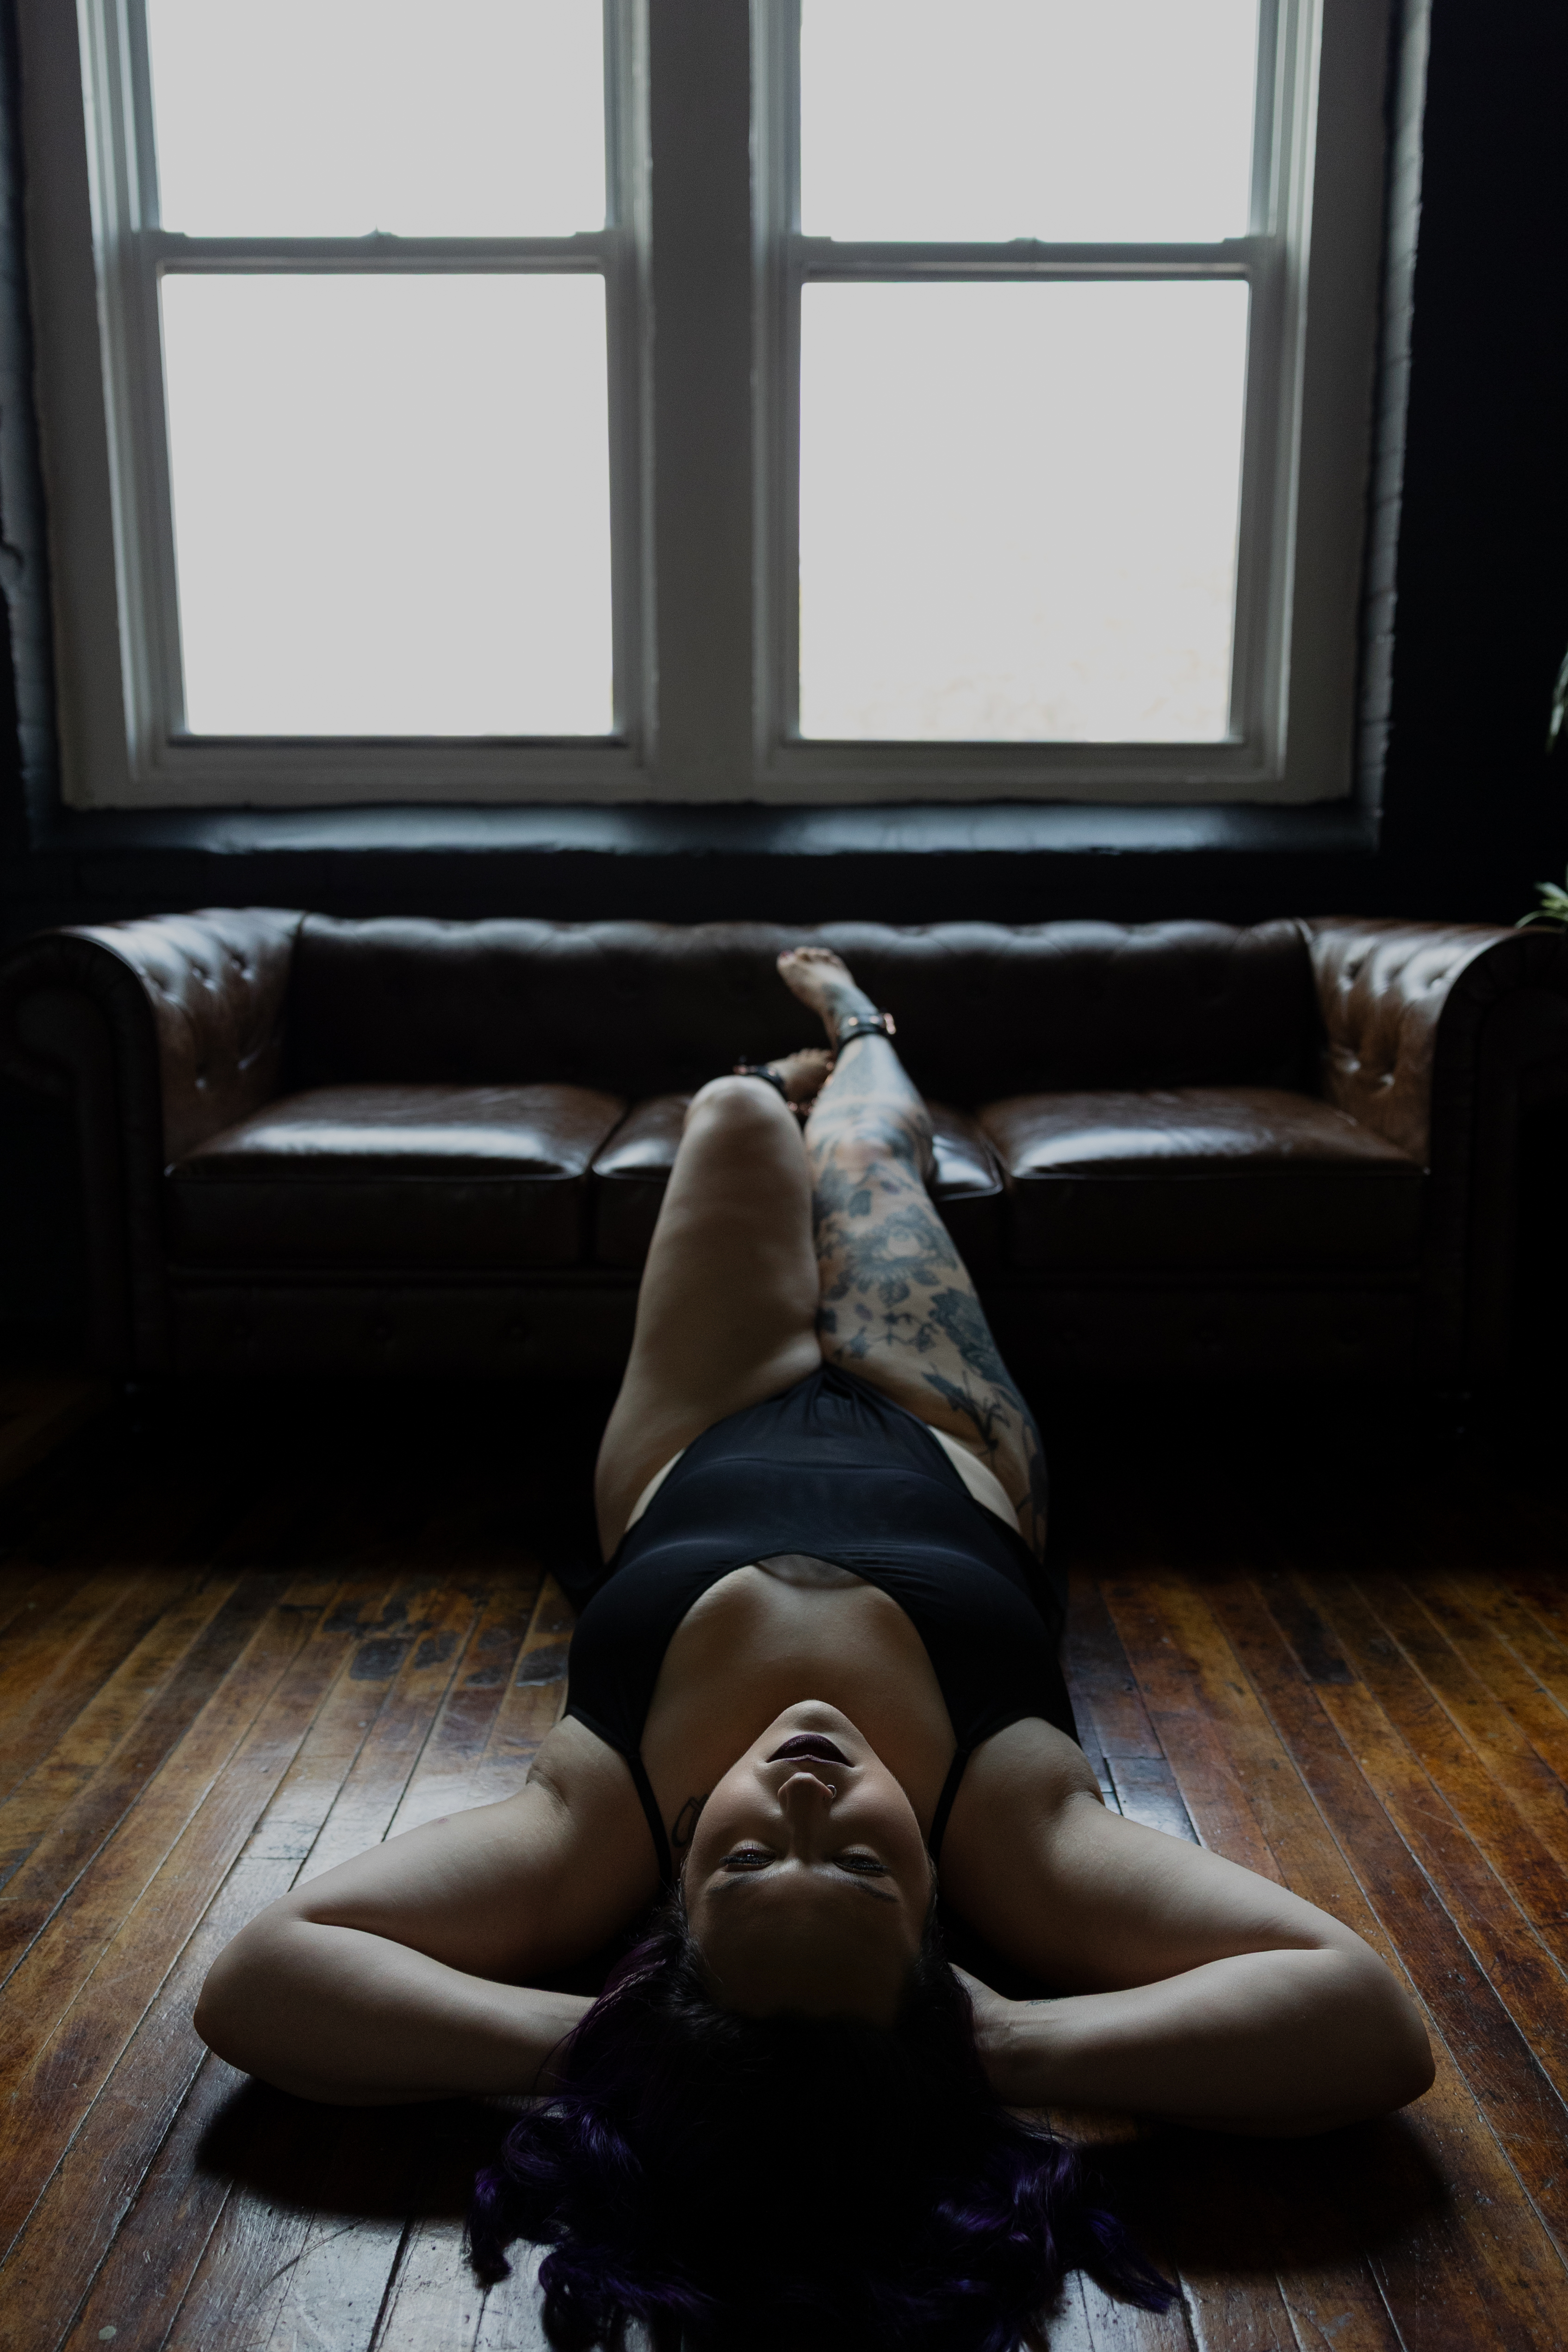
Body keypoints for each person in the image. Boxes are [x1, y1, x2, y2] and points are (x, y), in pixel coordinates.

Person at [195, 946, 1434, 2352]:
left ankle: (780, 1073)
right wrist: (1011, 2049)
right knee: (860, 1150)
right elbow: (1369, 2023)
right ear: (935, 1930)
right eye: (856, 1859)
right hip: (937, 1420)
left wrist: (618, 2056)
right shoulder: (1017, 1828)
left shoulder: (597, 1818)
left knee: (726, 1119)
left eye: (739, 1859)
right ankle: (858, 1030)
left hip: (698, 1427)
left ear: (664, 1930)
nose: (800, 1792)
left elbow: (257, 1980)